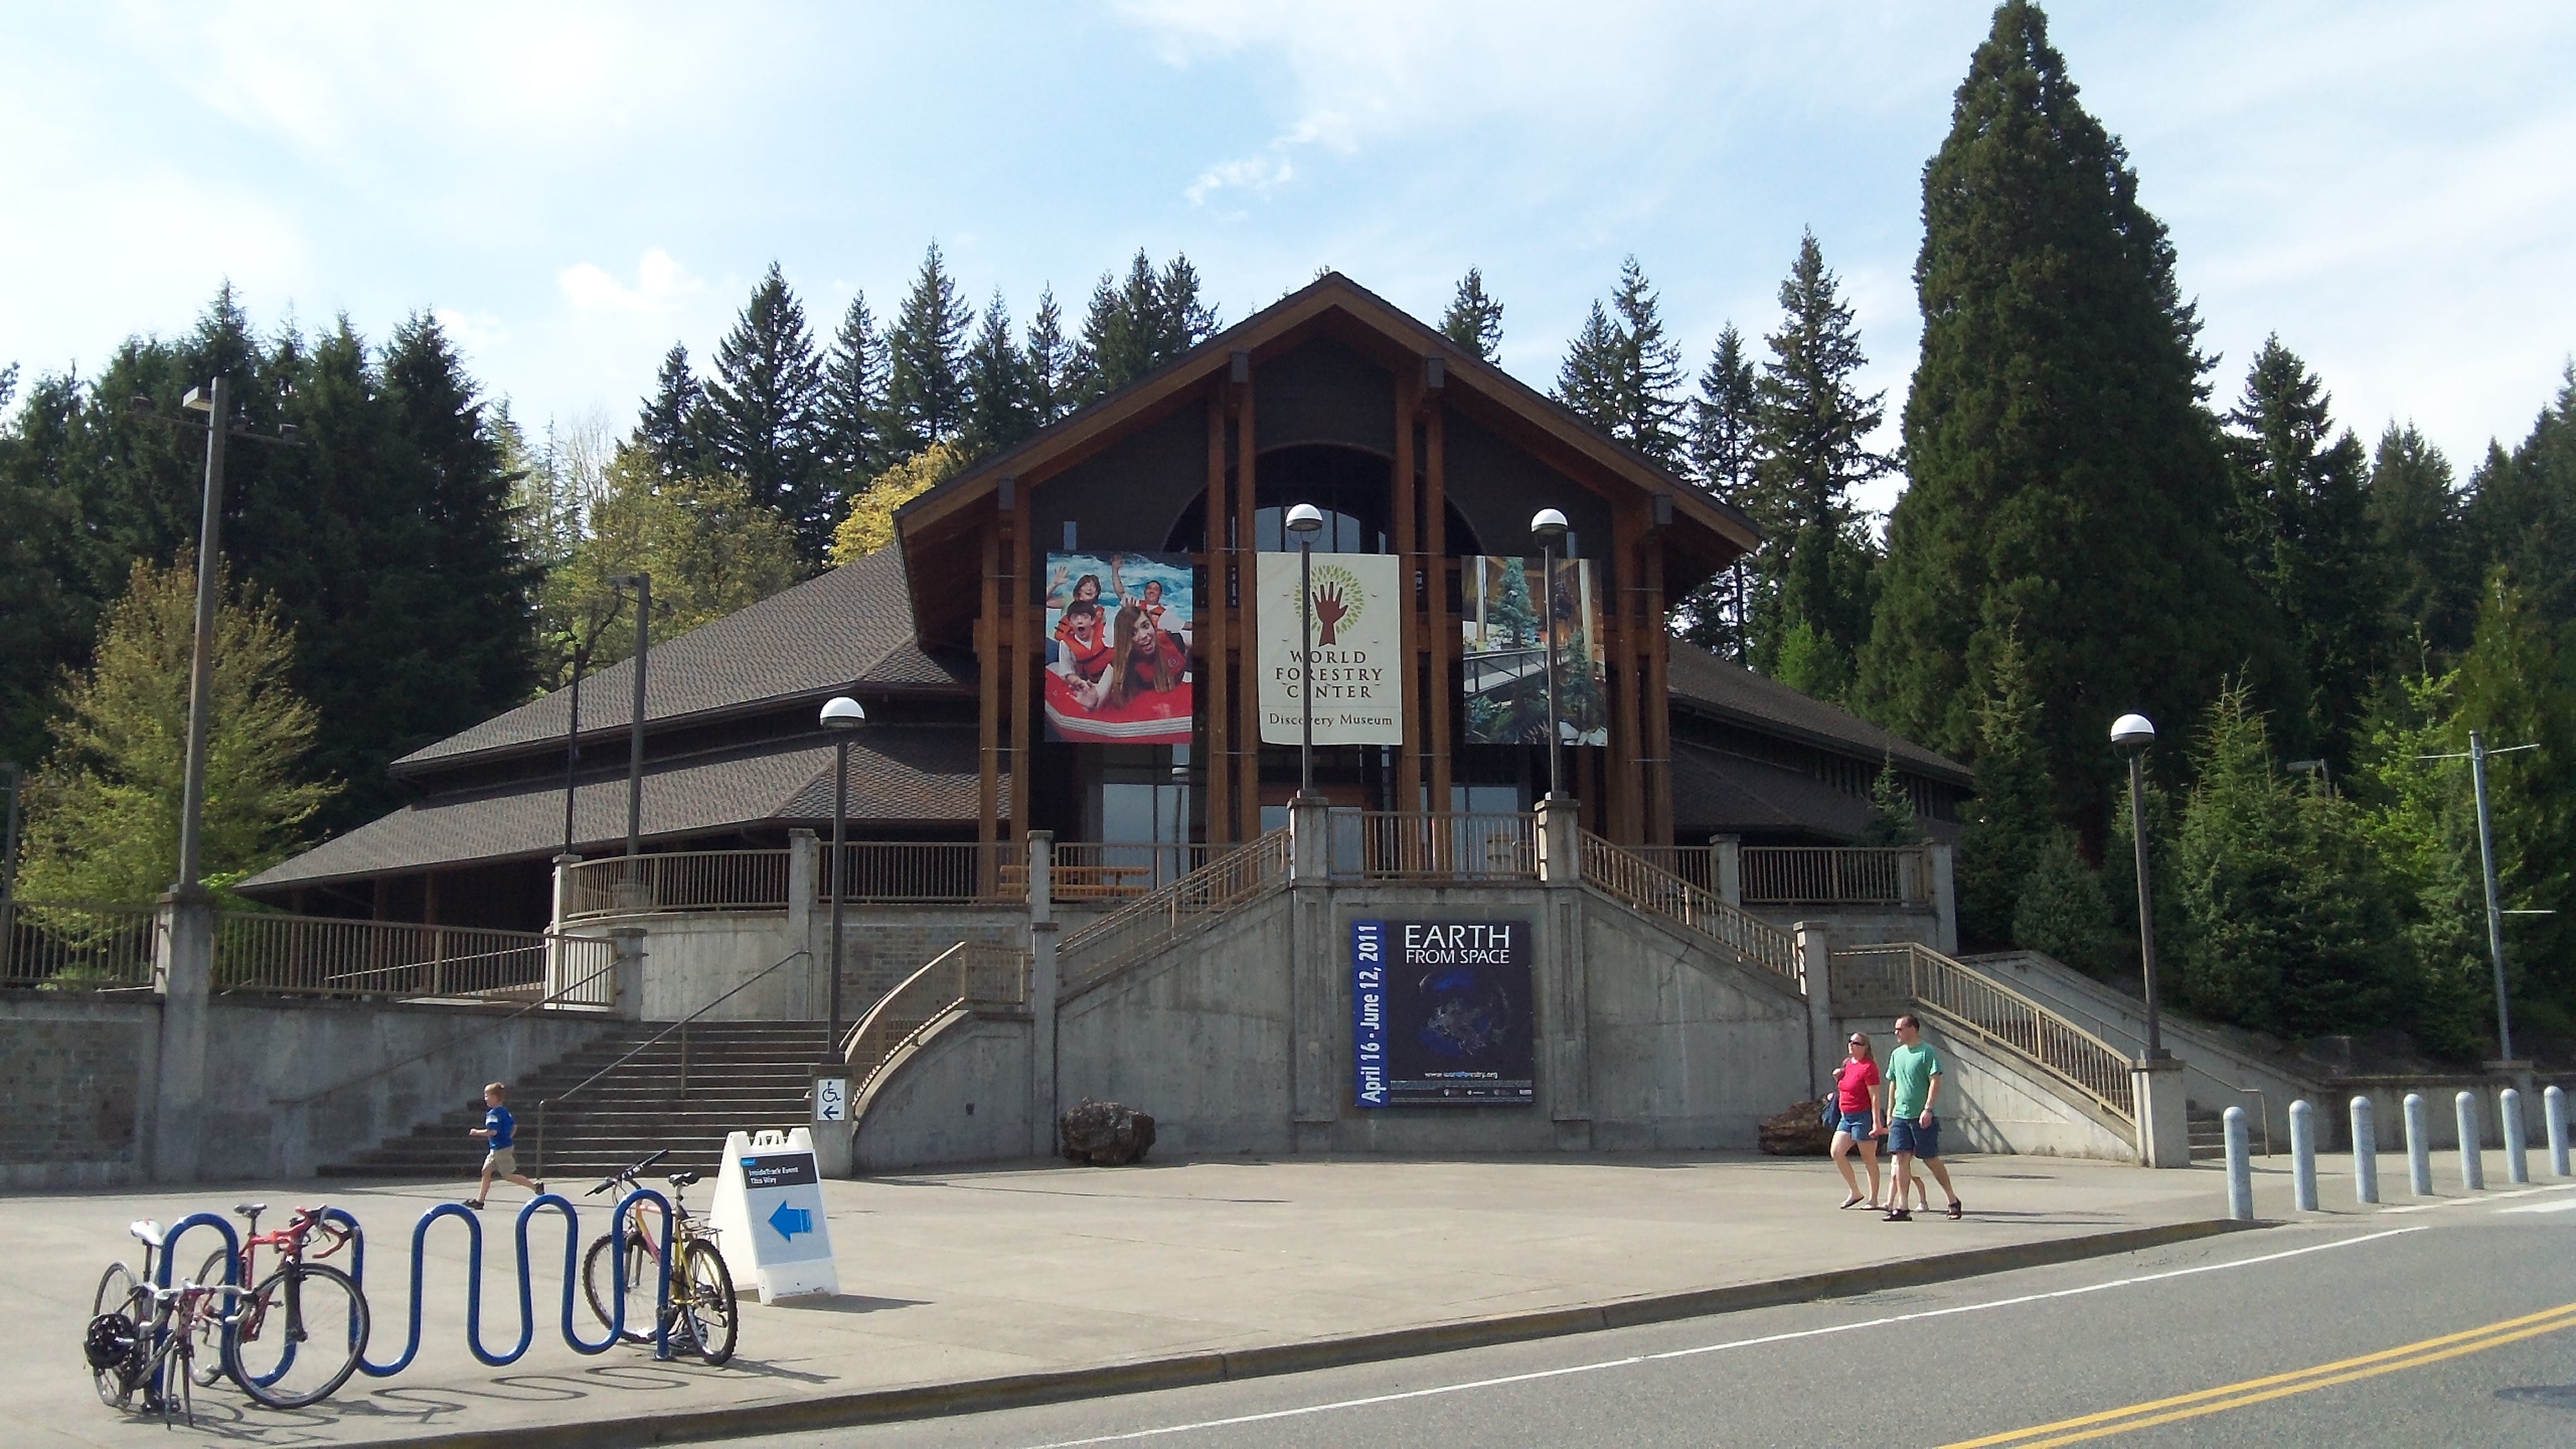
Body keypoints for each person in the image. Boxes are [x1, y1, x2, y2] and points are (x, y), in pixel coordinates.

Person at [1883, 1015, 1961, 1222]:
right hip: (1900, 1115)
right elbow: (1893, 1083)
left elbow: (1935, 1081)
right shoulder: (1896, 1054)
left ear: (1913, 1029)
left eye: (1900, 1029)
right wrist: (1890, 1111)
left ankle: (1952, 1199)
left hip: (1920, 1116)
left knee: (1930, 1158)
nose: (1896, 1033)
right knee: (1900, 1158)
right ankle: (1902, 1207)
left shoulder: (1927, 1052)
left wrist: (1928, 1108)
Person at [464, 1082, 543, 1210]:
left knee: (508, 1175)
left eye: (487, 1096)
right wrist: (508, 1137)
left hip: (501, 1149)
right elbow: (514, 1126)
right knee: (486, 1171)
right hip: (498, 1148)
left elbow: (492, 1131)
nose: (485, 1099)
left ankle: (535, 1187)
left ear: (495, 1098)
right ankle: (480, 1201)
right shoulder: (505, 1112)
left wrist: (476, 1132)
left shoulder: (493, 1114)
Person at [1829, 1032, 1886, 1209]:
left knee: (1868, 1157)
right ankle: (1855, 1191)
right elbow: (1846, 1087)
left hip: (1863, 1116)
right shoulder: (1847, 1064)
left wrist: (1876, 1122)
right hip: (1846, 1116)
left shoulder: (1869, 1067)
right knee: (1836, 1152)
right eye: (1850, 1042)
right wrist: (1838, 1077)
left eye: (1857, 1043)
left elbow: (1875, 1097)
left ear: (1865, 1047)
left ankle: (1874, 1198)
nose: (1852, 1045)